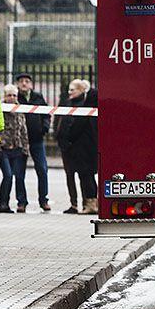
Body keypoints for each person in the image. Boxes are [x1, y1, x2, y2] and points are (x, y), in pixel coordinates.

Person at [55, 78, 97, 215]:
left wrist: (69, 138)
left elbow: (77, 126)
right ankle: (76, 204)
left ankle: (90, 203)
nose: (69, 92)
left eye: (73, 89)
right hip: (69, 148)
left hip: (82, 148)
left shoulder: (84, 106)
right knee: (74, 176)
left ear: (81, 90)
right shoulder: (68, 104)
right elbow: (61, 122)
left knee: (86, 175)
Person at [15, 73, 50, 212]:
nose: (24, 83)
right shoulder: (15, 98)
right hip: (20, 141)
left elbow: (46, 113)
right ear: (18, 84)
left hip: (37, 140)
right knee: (19, 173)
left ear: (31, 84)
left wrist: (45, 128)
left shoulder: (38, 97)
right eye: (21, 81)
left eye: (27, 81)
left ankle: (43, 200)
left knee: (42, 170)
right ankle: (21, 202)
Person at [0, 84, 29, 213]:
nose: (12, 97)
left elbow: (24, 130)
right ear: (4, 96)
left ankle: (22, 203)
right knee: (8, 175)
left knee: (19, 177)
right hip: (3, 149)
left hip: (18, 148)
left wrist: (25, 148)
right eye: (9, 95)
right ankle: (3, 203)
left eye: (14, 95)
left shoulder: (20, 109)